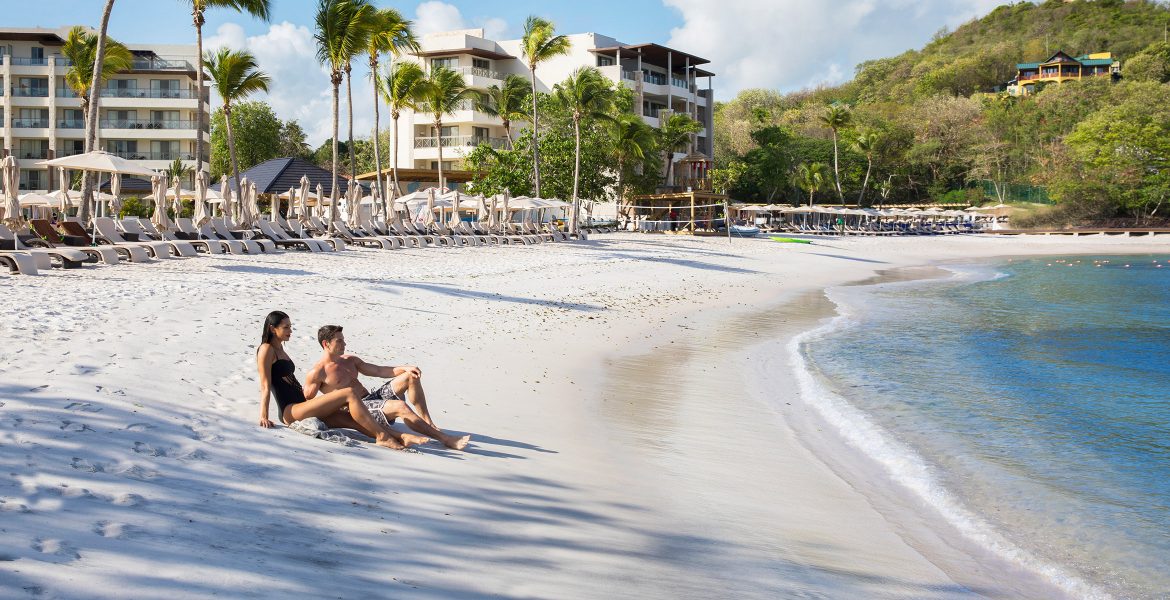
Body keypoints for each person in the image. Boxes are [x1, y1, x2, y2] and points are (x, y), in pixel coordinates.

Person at [255, 311, 423, 451]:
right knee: (349, 393)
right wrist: (264, 415)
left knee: (351, 419)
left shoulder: (280, 349)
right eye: (286, 327)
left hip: (302, 404)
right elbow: (265, 384)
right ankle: (382, 437)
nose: (290, 330)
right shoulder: (266, 349)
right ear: (272, 328)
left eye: (290, 326)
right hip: (290, 410)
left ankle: (401, 436)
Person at [304, 325, 470, 451]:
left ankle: (428, 422)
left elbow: (379, 370)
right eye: (339, 341)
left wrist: (405, 368)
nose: (344, 343)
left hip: (372, 400)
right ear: (326, 344)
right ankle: (445, 439)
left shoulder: (350, 360)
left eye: (344, 339)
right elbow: (307, 401)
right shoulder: (317, 372)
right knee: (401, 406)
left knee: (410, 377)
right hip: (359, 411)